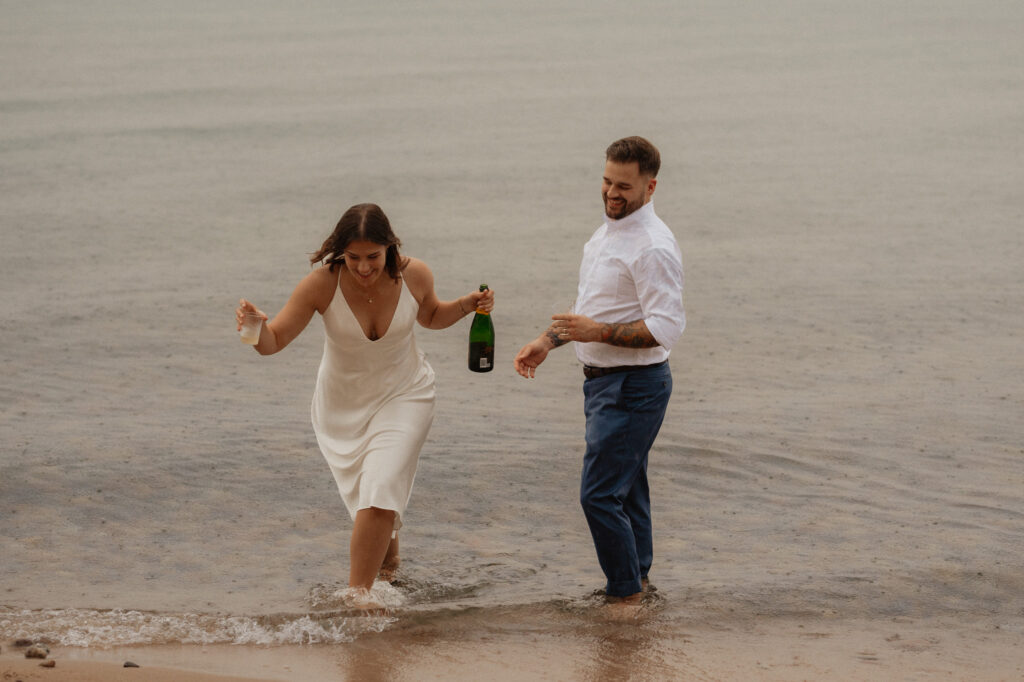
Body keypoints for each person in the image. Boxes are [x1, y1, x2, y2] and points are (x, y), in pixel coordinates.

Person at [236, 203, 494, 599]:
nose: (363, 267)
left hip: (406, 393)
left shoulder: (415, 274)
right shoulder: (322, 285)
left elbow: (431, 316)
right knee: (370, 494)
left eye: (373, 256)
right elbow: (273, 343)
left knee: (379, 485)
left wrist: (469, 304)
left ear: (389, 246)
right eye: (353, 258)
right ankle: (389, 568)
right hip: (342, 408)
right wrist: (254, 327)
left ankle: (358, 597)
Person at [513, 137, 684, 605]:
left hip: (634, 386)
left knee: (598, 496)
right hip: (606, 383)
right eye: (607, 180)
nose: (612, 192)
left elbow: (666, 327)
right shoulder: (607, 231)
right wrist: (548, 341)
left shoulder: (653, 246)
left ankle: (625, 596)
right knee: (626, 492)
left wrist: (597, 333)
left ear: (650, 188)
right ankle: (639, 584)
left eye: (624, 186)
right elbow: (592, 310)